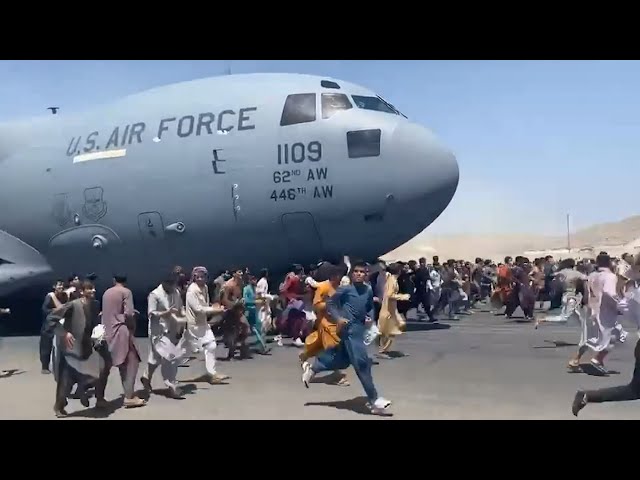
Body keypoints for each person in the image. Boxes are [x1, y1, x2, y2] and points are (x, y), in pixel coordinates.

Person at [301, 261, 392, 415]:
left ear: (366, 274)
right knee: (362, 364)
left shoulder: (368, 290)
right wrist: (338, 318)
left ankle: (314, 368)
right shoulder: (345, 290)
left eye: (362, 272)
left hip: (359, 330)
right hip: (348, 330)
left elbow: (369, 307)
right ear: (352, 274)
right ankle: (374, 400)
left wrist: (369, 317)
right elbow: (330, 303)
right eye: (356, 271)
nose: (358, 274)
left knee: (342, 361)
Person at [48, 280, 104, 417]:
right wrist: (64, 333)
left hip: (86, 347)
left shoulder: (94, 305)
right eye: (90, 289)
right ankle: (59, 406)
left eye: (94, 288)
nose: (93, 291)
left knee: (94, 373)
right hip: (70, 348)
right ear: (81, 291)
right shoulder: (73, 305)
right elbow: (51, 318)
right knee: (66, 380)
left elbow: (93, 324)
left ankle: (82, 391)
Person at [99, 274, 146, 409]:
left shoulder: (107, 292)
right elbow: (129, 313)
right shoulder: (126, 292)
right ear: (126, 281)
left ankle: (100, 398)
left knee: (105, 368)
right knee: (131, 363)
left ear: (114, 280)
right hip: (121, 331)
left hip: (106, 332)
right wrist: (132, 325)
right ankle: (129, 396)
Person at [299, 265, 348, 386]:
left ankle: (305, 357)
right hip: (326, 323)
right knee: (332, 348)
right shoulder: (323, 287)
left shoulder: (340, 288)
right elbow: (316, 305)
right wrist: (328, 305)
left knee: (324, 347)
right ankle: (337, 376)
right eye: (340, 275)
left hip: (336, 322)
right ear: (334, 276)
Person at [141, 272, 188, 399]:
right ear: (163, 283)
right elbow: (151, 313)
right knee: (171, 357)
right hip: (158, 332)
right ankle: (171, 385)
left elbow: (180, 308)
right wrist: (166, 313)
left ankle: (146, 377)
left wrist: (184, 317)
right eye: (170, 284)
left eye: (174, 284)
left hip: (172, 330)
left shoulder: (176, 292)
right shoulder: (155, 295)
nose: (173, 286)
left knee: (155, 358)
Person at [183, 266, 230, 383]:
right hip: (194, 325)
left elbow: (206, 304)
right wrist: (215, 310)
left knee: (211, 346)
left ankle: (212, 374)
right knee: (186, 352)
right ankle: (159, 368)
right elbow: (198, 309)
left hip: (203, 323)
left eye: (202, 276)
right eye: (197, 277)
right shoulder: (191, 291)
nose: (199, 279)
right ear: (194, 277)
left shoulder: (204, 288)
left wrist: (214, 307)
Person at [377, 263, 410, 359]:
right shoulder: (392, 280)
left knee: (393, 329)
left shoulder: (392, 279)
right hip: (388, 309)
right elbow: (389, 295)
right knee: (388, 330)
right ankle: (382, 350)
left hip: (391, 309)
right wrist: (402, 296)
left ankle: (384, 349)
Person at [40, 280, 69, 374]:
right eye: (59, 285)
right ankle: (45, 366)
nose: (61, 287)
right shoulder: (49, 296)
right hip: (50, 324)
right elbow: (45, 309)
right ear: (54, 287)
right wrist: (55, 310)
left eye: (62, 285)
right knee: (46, 345)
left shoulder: (65, 296)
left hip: (62, 323)